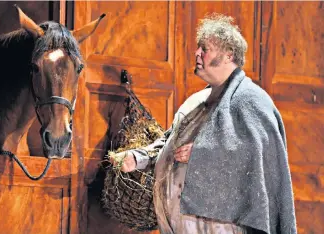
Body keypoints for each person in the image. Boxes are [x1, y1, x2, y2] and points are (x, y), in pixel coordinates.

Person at [110, 13, 297, 234]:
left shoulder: (251, 99)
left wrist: (203, 154)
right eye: (198, 48)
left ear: (228, 55)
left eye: (205, 49)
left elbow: (260, 158)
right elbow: (170, 143)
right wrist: (139, 158)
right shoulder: (196, 100)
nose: (197, 53)